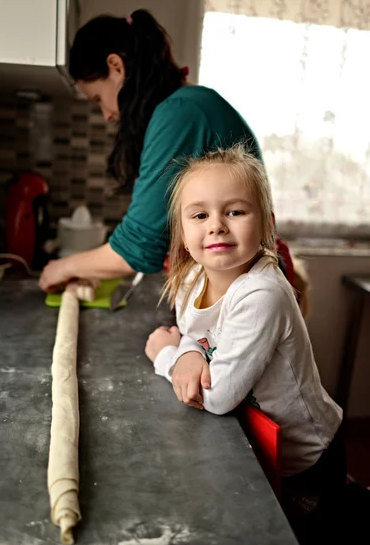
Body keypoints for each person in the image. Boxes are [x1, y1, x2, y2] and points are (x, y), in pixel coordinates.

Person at [144, 145, 346, 543]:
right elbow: (195, 333)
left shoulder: (262, 295)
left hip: (307, 462)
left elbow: (217, 397)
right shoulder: (190, 282)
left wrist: (166, 356)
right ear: (184, 235)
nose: (216, 225)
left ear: (267, 226)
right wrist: (187, 352)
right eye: (200, 215)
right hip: (263, 445)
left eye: (234, 211)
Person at [39, 9, 263, 292]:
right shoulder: (181, 107)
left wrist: (63, 266)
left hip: (242, 291)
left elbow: (138, 247)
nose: (106, 114)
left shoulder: (180, 114)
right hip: (227, 285)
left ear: (116, 66)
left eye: (98, 97)